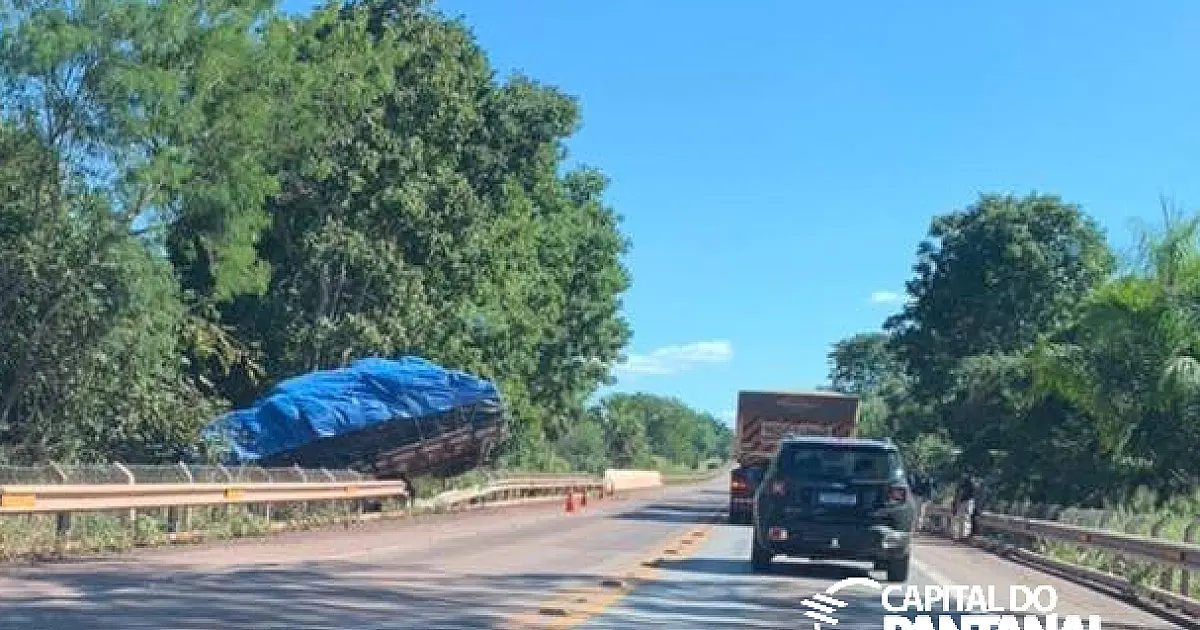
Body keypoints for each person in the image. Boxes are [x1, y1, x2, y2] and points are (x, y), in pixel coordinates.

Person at [951, 473, 978, 538]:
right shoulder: (962, 484)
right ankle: (959, 534)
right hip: (962, 502)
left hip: (968, 501)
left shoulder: (971, 484)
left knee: (965, 517)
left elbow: (973, 495)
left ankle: (964, 534)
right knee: (961, 517)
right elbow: (957, 494)